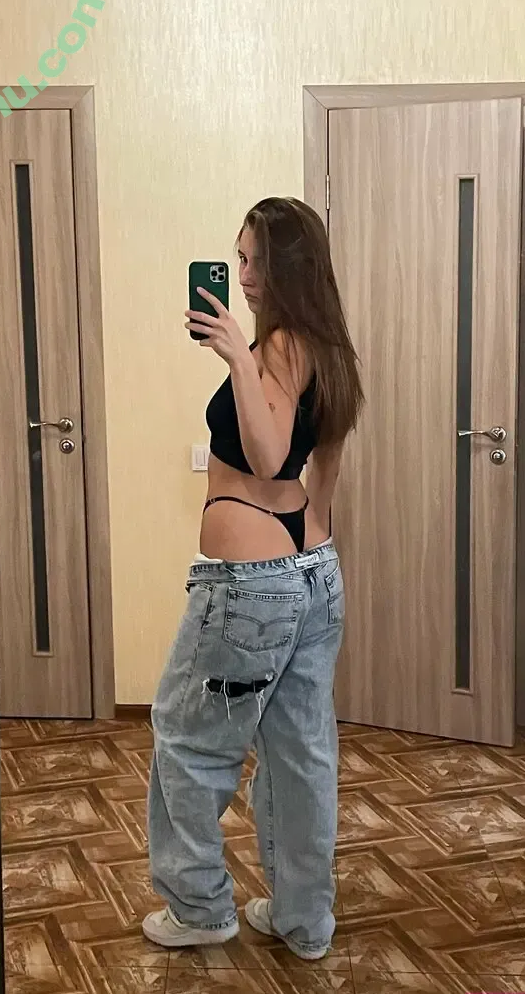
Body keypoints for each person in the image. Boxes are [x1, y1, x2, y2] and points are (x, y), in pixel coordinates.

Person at [143, 196, 365, 961]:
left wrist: (238, 356)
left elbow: (269, 459)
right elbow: (320, 472)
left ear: (288, 267)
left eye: (254, 260)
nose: (241, 275)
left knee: (186, 739)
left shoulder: (277, 346)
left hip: (251, 586)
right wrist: (308, 563)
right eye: (238, 258)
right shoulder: (329, 348)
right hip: (313, 570)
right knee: (300, 752)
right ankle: (305, 919)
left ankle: (201, 906)